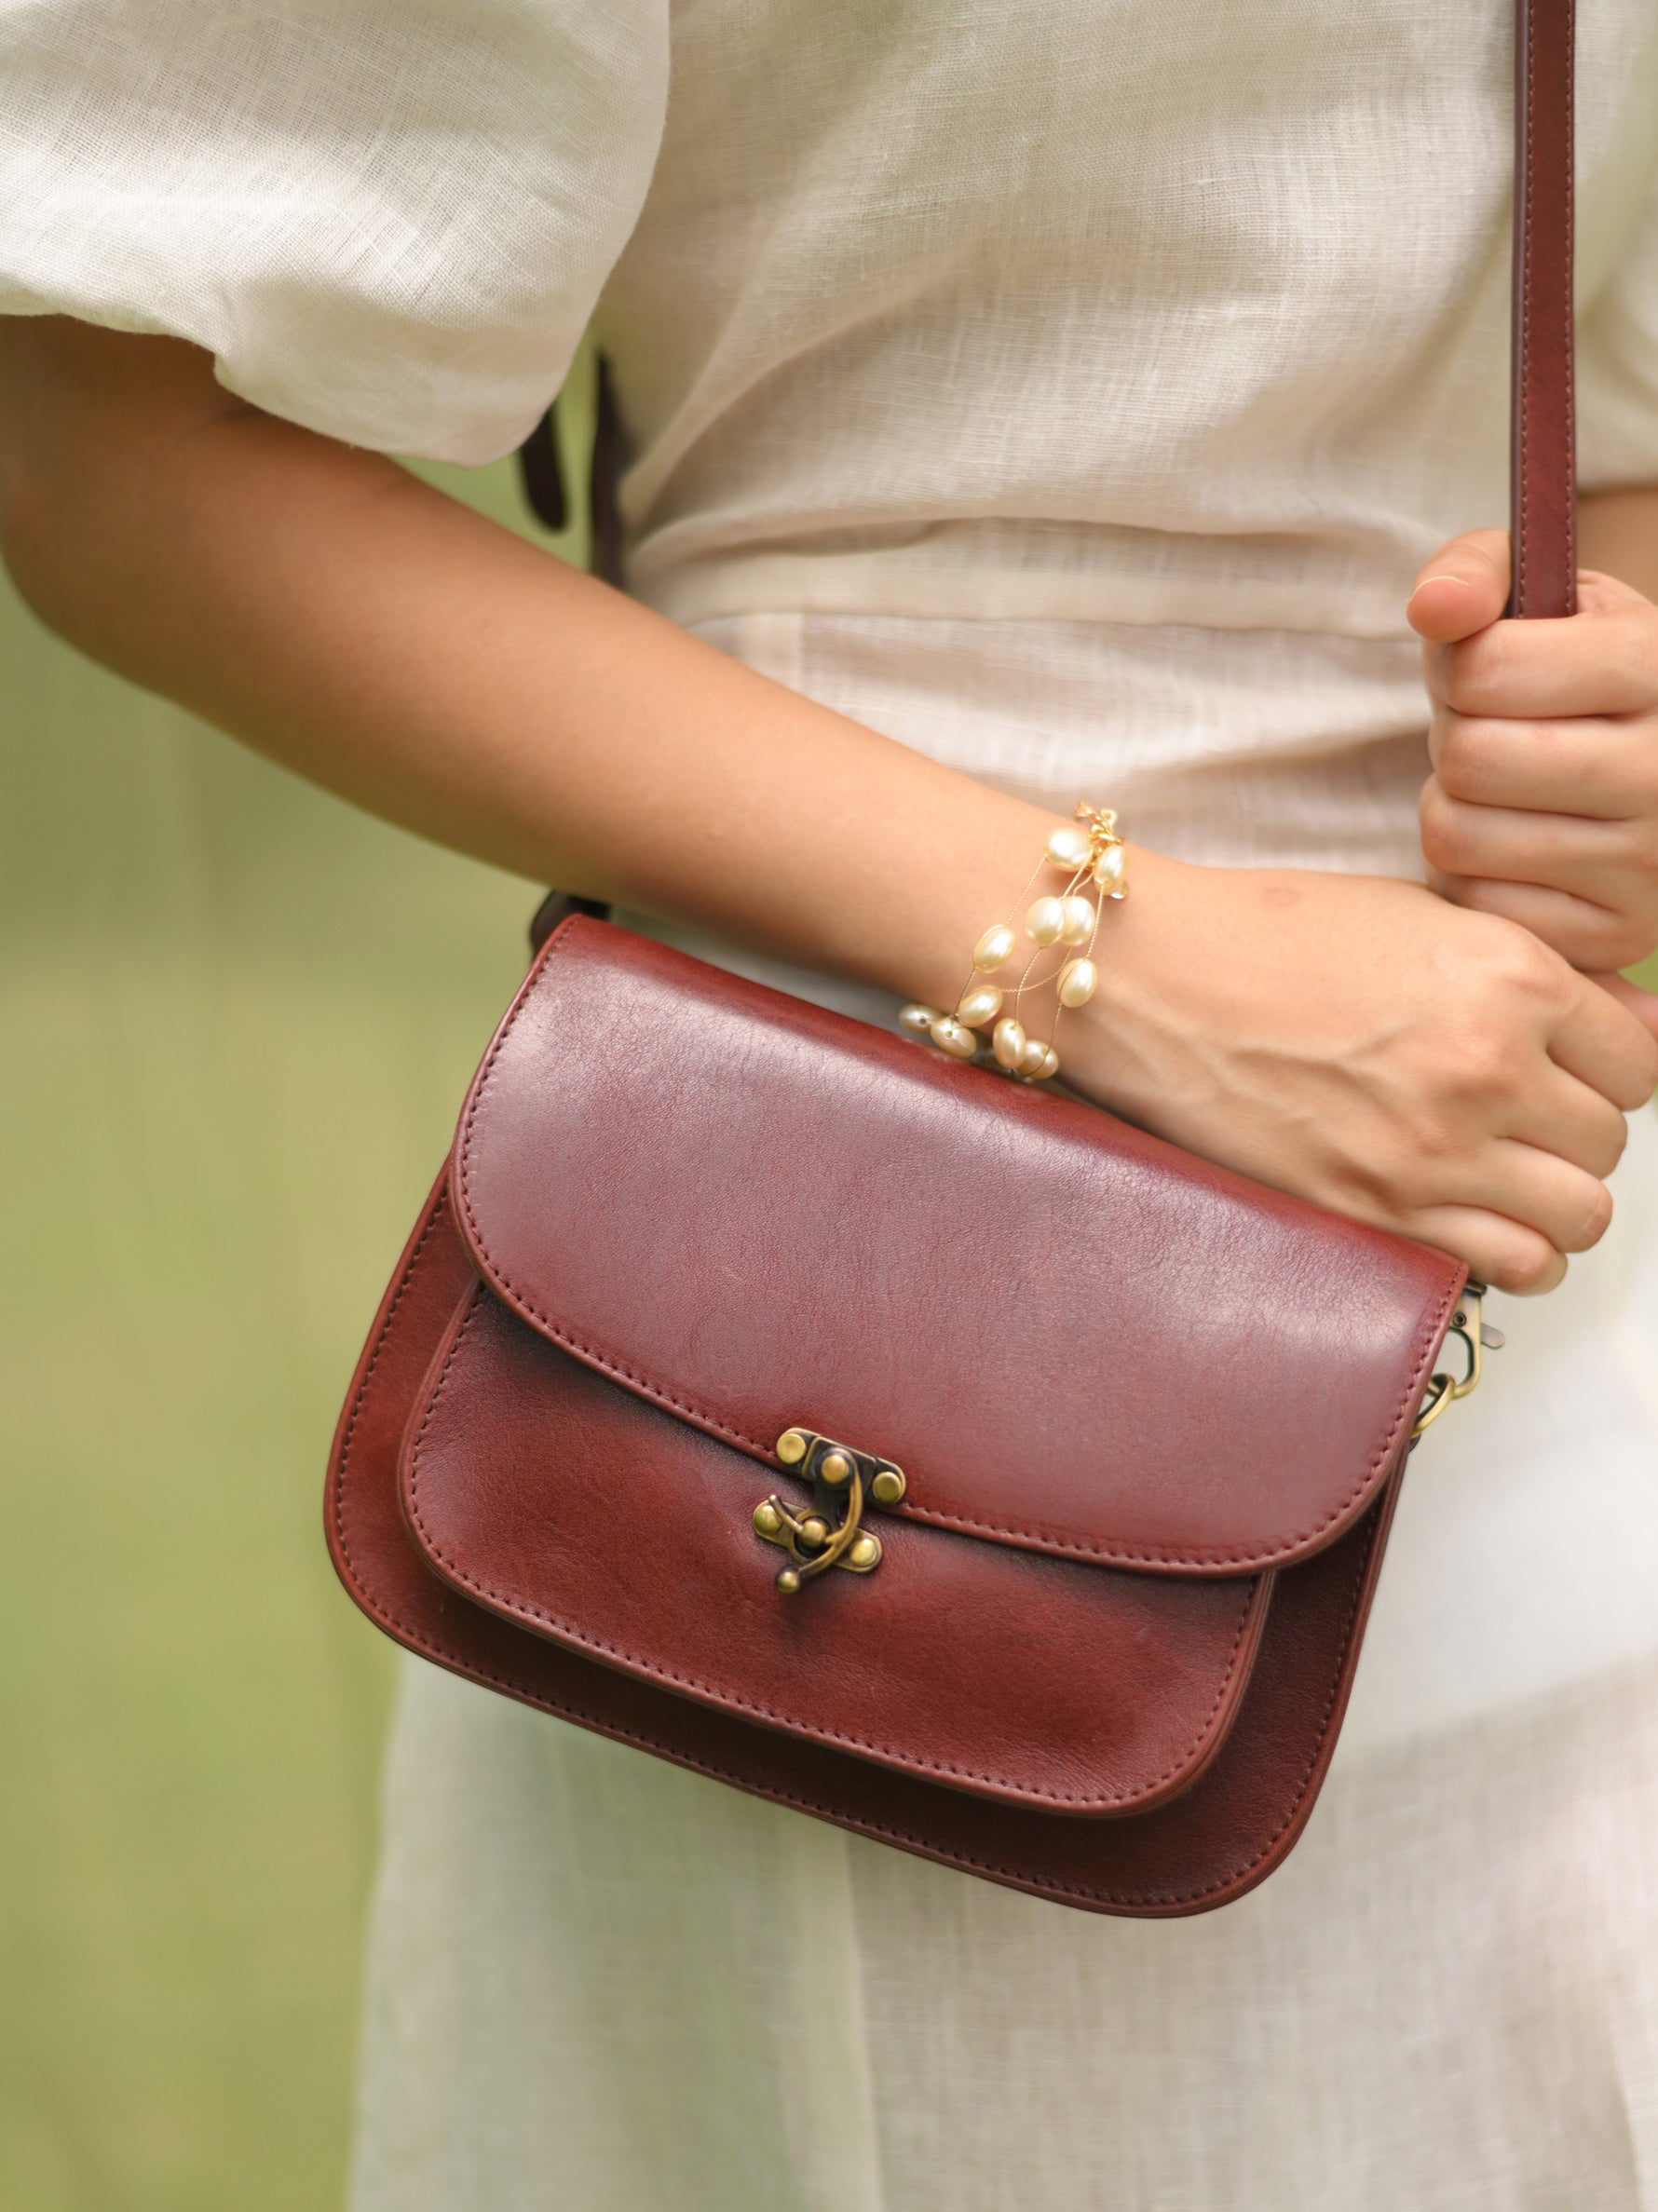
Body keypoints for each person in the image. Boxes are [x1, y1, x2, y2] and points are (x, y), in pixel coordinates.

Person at [4, 5, 1658, 2205]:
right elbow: (95, 429)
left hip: (1534, 1369)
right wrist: (1124, 962)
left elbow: (1596, 384)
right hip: (767, 1355)